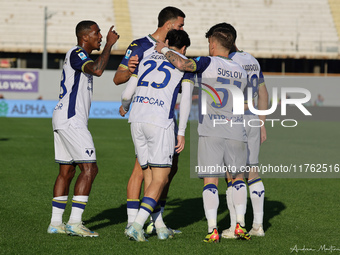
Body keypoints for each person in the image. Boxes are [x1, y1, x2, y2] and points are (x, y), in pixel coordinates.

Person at [155, 27, 248, 242]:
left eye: (209, 44)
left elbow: (183, 64)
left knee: (210, 181)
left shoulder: (208, 62)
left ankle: (212, 229)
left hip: (211, 131)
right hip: (236, 130)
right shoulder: (241, 70)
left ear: (213, 45)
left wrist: (163, 50)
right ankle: (239, 226)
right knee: (237, 179)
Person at [113, 6, 185, 235]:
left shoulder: (169, 51)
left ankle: (158, 223)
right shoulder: (140, 46)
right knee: (145, 171)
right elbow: (118, 78)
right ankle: (133, 222)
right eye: (181, 25)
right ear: (170, 24)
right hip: (156, 118)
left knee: (165, 170)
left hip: (144, 116)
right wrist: (130, 69)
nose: (183, 28)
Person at [47, 20, 119, 237]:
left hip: (65, 118)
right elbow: (97, 70)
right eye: (97, 33)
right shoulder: (77, 53)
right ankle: (75, 223)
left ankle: (55, 223)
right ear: (85, 36)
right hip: (71, 119)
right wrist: (109, 46)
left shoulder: (81, 56)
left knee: (66, 171)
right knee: (90, 169)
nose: (100, 36)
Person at [205, 23, 268, 239]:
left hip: (234, 121)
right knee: (253, 172)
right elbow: (263, 92)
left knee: (233, 176)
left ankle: (236, 226)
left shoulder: (226, 62)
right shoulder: (251, 60)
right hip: (252, 118)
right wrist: (262, 122)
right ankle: (258, 225)